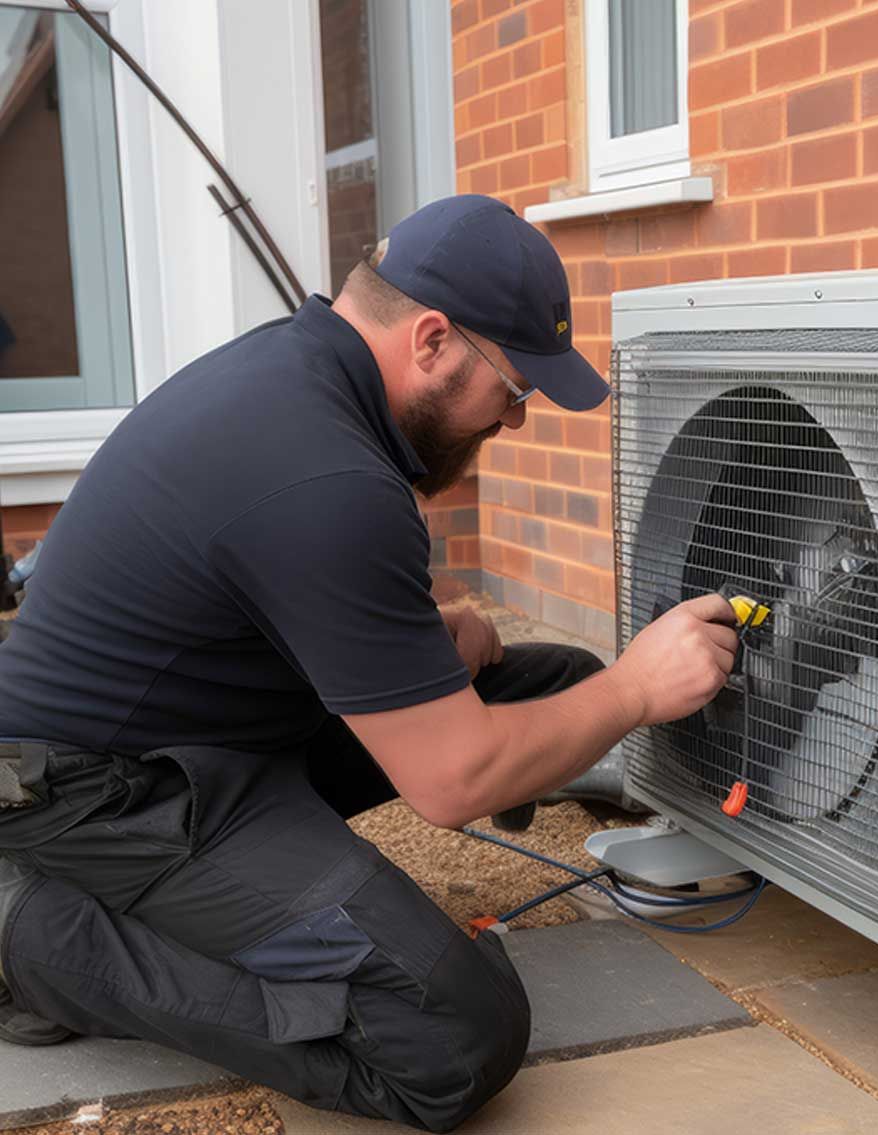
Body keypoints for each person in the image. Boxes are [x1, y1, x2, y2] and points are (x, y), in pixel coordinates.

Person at [0, 195, 737, 1132]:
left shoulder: (297, 378)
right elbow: (451, 779)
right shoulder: (328, 476)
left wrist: (426, 636)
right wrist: (638, 686)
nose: (512, 423)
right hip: (93, 790)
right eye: (514, 391)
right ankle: (32, 939)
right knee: (451, 1036)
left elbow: (265, 573)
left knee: (548, 676)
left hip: (195, 722)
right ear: (431, 341)